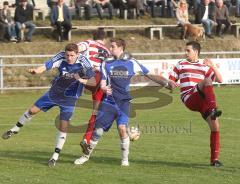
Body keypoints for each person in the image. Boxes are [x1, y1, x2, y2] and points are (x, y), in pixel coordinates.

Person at [74, 38, 177, 166]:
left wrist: (166, 83)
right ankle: (85, 156)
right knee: (98, 132)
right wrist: (104, 87)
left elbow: (150, 75)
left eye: (113, 47)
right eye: (110, 46)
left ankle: (125, 160)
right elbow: (102, 82)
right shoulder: (106, 63)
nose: (110, 49)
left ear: (121, 48)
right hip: (109, 103)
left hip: (124, 103)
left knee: (122, 128)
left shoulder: (131, 62)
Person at [2, 43, 96, 167]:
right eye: (67, 55)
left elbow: (93, 81)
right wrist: (36, 71)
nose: (69, 58)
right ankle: (14, 129)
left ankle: (54, 157)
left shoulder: (85, 62)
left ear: (77, 54)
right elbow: (46, 66)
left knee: (63, 126)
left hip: (70, 98)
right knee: (32, 111)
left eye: (72, 55)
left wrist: (83, 80)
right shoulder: (60, 56)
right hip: (54, 93)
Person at [169, 41, 223, 167]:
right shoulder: (181, 64)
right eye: (185, 50)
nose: (185, 53)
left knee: (215, 127)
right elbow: (171, 80)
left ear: (196, 52)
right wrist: (171, 84)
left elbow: (220, 80)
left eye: (188, 50)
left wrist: (213, 66)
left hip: (203, 101)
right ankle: (213, 109)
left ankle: (214, 160)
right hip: (189, 97)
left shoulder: (204, 66)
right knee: (207, 81)